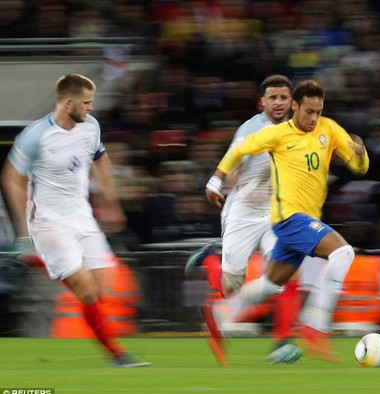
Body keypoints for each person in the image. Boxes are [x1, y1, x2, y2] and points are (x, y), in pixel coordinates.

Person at [205, 79, 369, 362]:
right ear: (296, 106)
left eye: (318, 111)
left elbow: (359, 167)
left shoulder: (328, 129)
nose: (314, 118)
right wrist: (215, 181)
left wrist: (360, 151)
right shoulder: (277, 134)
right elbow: (239, 150)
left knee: (272, 284)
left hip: (304, 218)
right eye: (309, 111)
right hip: (287, 218)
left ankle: (221, 315)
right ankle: (315, 327)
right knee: (342, 253)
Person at [1, 74, 149, 368]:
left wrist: (110, 203)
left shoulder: (90, 127)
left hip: (82, 216)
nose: (91, 108)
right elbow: (10, 178)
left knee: (103, 286)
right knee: (86, 289)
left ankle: (39, 260)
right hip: (48, 221)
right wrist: (22, 233)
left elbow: (100, 160)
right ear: (69, 103)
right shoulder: (35, 136)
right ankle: (118, 356)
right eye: (87, 103)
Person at [185, 75, 304, 365]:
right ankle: (210, 260)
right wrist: (218, 182)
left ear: (292, 102)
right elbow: (233, 162)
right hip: (245, 212)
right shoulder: (251, 130)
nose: (278, 102)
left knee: (288, 273)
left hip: (277, 214)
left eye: (283, 97)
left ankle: (281, 344)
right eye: (272, 97)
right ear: (262, 101)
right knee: (231, 288)